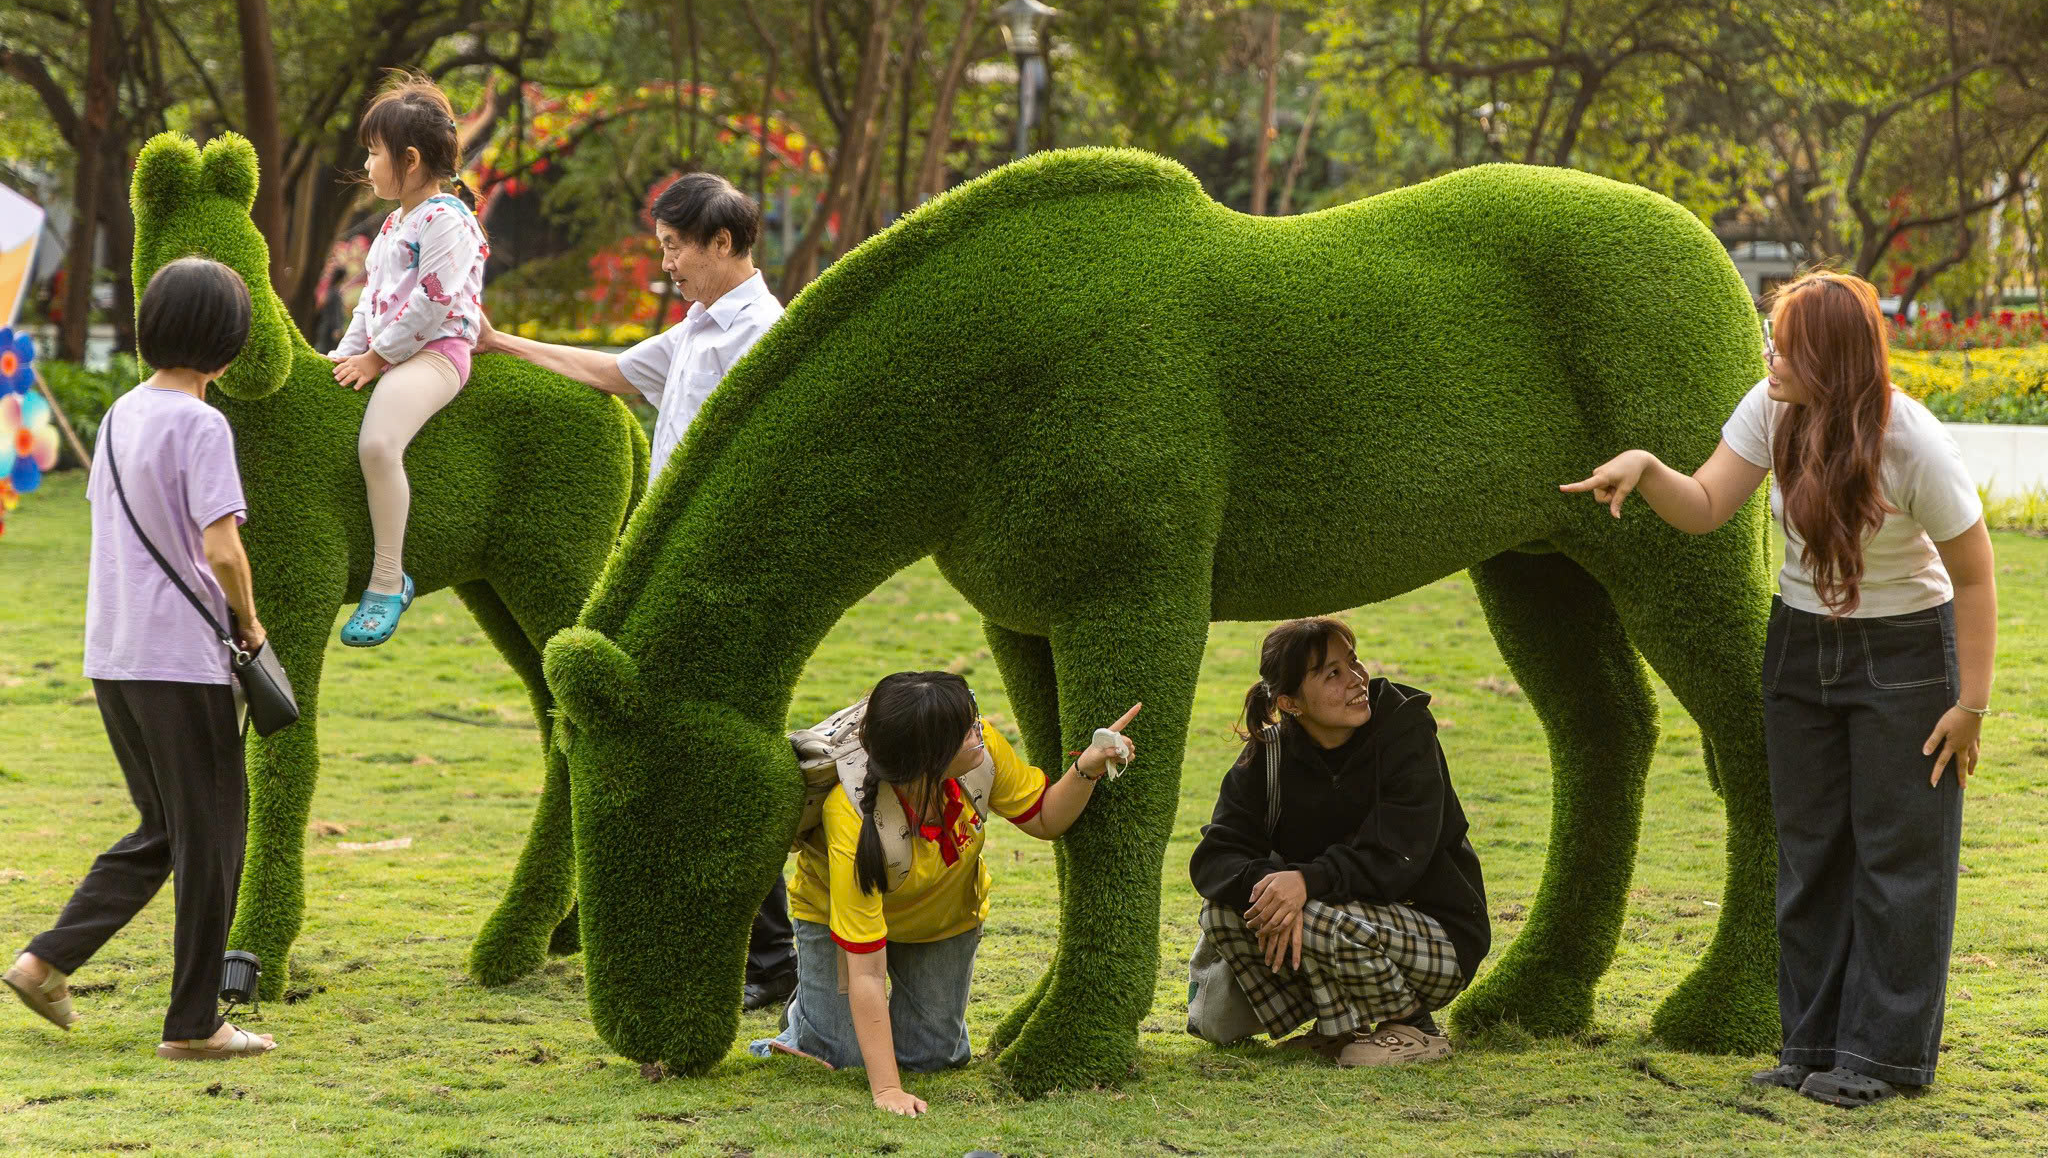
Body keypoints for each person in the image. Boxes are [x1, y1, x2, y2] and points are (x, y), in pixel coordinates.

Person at [1562, 270, 1996, 1108]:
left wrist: (1969, 703)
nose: (1768, 353)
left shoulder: (1913, 442)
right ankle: (1813, 1044)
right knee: (1809, 850)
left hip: (1907, 653)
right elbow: (1706, 502)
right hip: (1799, 646)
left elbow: (1975, 577)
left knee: (1897, 857)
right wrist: (1648, 468)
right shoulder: (1771, 409)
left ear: (1829, 358)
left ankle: (1883, 1057)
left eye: (1784, 342)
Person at [473, 170, 798, 1004]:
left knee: (711, 752)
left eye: (674, 249)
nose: (667, 268)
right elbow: (616, 371)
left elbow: (766, 471)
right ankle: (739, 947)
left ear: (722, 243)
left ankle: (772, 956)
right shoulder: (696, 328)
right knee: (671, 749)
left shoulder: (762, 333)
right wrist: (503, 344)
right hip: (673, 567)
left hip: (722, 576)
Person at [4, 258, 276, 1059]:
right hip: (181, 658)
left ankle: (45, 960)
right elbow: (223, 549)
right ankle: (195, 1022)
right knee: (216, 834)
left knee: (168, 824)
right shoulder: (203, 423)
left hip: (115, 652)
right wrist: (251, 624)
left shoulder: (123, 412)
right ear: (226, 344)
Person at [763, 671, 1139, 1116]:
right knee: (842, 1058)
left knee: (931, 1058)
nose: (978, 729)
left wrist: (1086, 767)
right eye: (966, 728)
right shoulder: (849, 815)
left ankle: (827, 1009)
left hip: (942, 921)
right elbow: (866, 972)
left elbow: (1045, 820)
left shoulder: (981, 752)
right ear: (930, 757)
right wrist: (886, 1091)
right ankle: (804, 1019)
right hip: (842, 928)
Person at [1189, 617, 1489, 1066]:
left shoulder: (1404, 731)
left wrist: (1305, 883)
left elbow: (1397, 857)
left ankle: (1415, 1026)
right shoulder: (1267, 756)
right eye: (1332, 674)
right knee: (1223, 912)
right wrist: (1279, 886)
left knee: (1312, 914)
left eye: (1353, 662)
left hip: (1438, 937)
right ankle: (1338, 1031)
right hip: (1337, 927)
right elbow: (1215, 858)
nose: (1357, 680)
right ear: (1290, 703)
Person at [327, 72, 489, 648]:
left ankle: (387, 579)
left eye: (374, 153)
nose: (367, 166)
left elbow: (430, 303)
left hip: (436, 354)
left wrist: (374, 359)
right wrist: (345, 356)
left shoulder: (448, 220)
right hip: (391, 353)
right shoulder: (397, 222)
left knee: (377, 444)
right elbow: (372, 303)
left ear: (411, 159)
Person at [309, 261, 351, 355]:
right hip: (330, 329)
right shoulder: (335, 293)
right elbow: (336, 313)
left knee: (322, 348)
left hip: (324, 325)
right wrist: (337, 328)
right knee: (326, 351)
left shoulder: (330, 291)